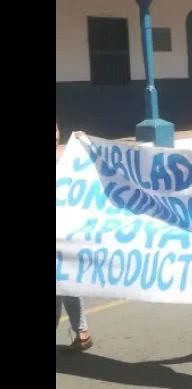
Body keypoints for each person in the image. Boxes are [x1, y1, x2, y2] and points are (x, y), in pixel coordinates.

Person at [56, 122, 94, 353]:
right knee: (63, 281)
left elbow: (94, 170)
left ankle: (82, 332)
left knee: (65, 280)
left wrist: (85, 144)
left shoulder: (70, 153)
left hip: (69, 230)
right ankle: (82, 333)